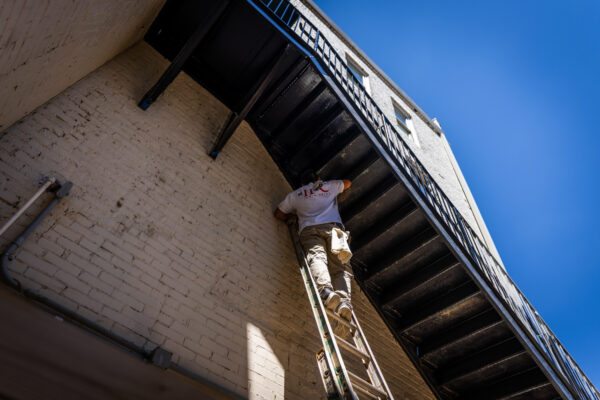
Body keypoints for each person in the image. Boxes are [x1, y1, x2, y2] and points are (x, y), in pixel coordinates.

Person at [274, 169, 353, 332]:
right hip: (334, 230)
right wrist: (325, 187)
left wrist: (292, 217)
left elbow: (278, 213)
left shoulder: (296, 195)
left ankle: (326, 291)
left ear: (302, 184)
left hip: (309, 229)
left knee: (317, 257)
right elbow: (348, 183)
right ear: (317, 178)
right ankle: (344, 302)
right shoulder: (328, 186)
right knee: (341, 267)